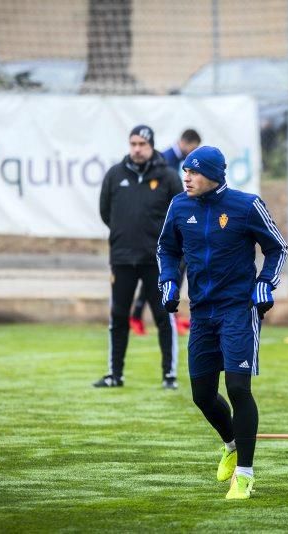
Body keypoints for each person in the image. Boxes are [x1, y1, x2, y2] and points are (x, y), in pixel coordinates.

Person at [156, 145, 288, 500]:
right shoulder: (179, 206)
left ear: (214, 175)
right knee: (202, 395)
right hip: (201, 312)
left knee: (238, 389)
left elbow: (277, 247)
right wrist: (168, 280)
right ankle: (231, 444)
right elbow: (166, 249)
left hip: (238, 310)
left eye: (194, 172)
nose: (187, 177)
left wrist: (265, 283)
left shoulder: (246, 205)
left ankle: (244, 473)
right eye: (185, 170)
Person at [93, 124, 183, 390]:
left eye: (142, 144)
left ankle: (169, 376)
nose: (137, 149)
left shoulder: (168, 177)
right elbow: (105, 212)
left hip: (157, 260)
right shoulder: (115, 175)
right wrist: (124, 235)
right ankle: (114, 374)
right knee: (118, 316)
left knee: (163, 316)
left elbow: (178, 215)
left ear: (151, 146)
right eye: (133, 144)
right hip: (122, 258)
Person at [129, 129, 201, 337]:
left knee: (170, 270)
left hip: (172, 226)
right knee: (165, 270)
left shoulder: (176, 162)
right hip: (164, 228)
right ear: (186, 143)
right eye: (193, 149)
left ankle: (163, 315)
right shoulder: (167, 161)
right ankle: (140, 315)